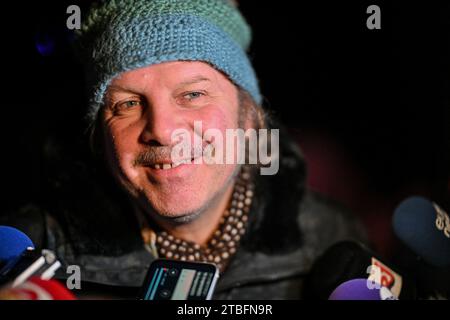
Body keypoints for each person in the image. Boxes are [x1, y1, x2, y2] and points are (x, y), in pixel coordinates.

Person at [1, 0, 365, 299]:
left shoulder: (332, 237)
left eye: (192, 95)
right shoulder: (28, 254)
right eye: (127, 105)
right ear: (100, 137)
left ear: (249, 117)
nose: (161, 130)